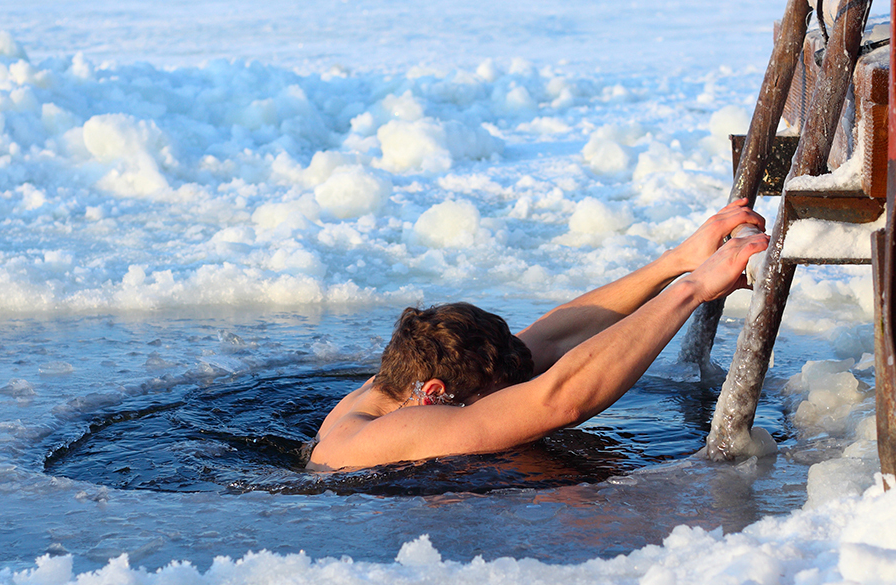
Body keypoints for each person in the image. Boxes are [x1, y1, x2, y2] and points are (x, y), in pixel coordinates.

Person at [306, 199, 768, 471]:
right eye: (496, 394)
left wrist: (677, 262)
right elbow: (559, 400)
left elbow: (548, 339)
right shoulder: (381, 436)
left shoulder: (401, 384)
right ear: (434, 395)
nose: (514, 389)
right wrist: (692, 291)